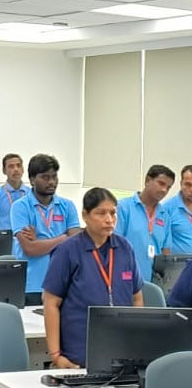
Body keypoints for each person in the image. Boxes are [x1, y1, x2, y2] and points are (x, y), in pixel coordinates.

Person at [42, 188, 143, 369]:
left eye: (113, 213)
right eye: (101, 213)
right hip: (79, 352)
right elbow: (51, 303)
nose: (109, 219)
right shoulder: (67, 250)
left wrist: (137, 343)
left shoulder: (124, 248)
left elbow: (136, 298)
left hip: (121, 350)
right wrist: (55, 356)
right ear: (85, 215)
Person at [11, 154, 81, 306]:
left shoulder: (67, 206)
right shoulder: (20, 207)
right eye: (45, 177)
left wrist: (40, 242)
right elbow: (30, 249)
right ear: (32, 180)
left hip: (63, 285)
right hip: (32, 286)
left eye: (54, 177)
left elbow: (76, 244)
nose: (51, 182)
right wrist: (63, 238)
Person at [115, 164, 174, 282]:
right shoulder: (124, 208)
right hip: (126, 278)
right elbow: (114, 245)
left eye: (168, 187)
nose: (164, 190)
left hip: (153, 283)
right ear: (147, 180)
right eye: (161, 183)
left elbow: (165, 251)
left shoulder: (164, 215)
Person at [0, 153, 26, 230]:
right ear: (4, 171)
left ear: (23, 169)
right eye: (11, 166)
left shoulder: (31, 194)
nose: (16, 169)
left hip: (26, 237)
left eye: (19, 165)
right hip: (3, 237)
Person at [167, 165, 192, 254]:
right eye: (188, 184)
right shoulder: (167, 209)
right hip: (179, 262)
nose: (191, 189)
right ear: (181, 184)